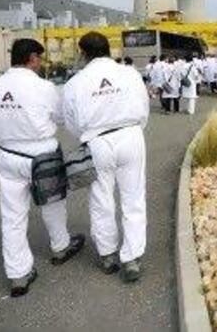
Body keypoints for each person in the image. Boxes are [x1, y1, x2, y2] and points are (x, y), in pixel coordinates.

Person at [0, 39, 85, 297]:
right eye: (39, 59)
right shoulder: (44, 87)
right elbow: (60, 117)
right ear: (32, 58)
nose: (40, 64)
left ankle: (19, 274)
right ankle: (60, 247)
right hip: (42, 156)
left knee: (12, 215)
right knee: (52, 203)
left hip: (6, 156)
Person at [61, 32, 150, 283]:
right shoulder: (130, 73)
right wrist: (133, 128)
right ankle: (131, 258)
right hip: (131, 135)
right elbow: (143, 107)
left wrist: (89, 136)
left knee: (101, 198)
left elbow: (71, 122)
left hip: (97, 141)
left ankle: (108, 254)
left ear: (83, 53)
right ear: (109, 49)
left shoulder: (75, 83)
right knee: (133, 198)